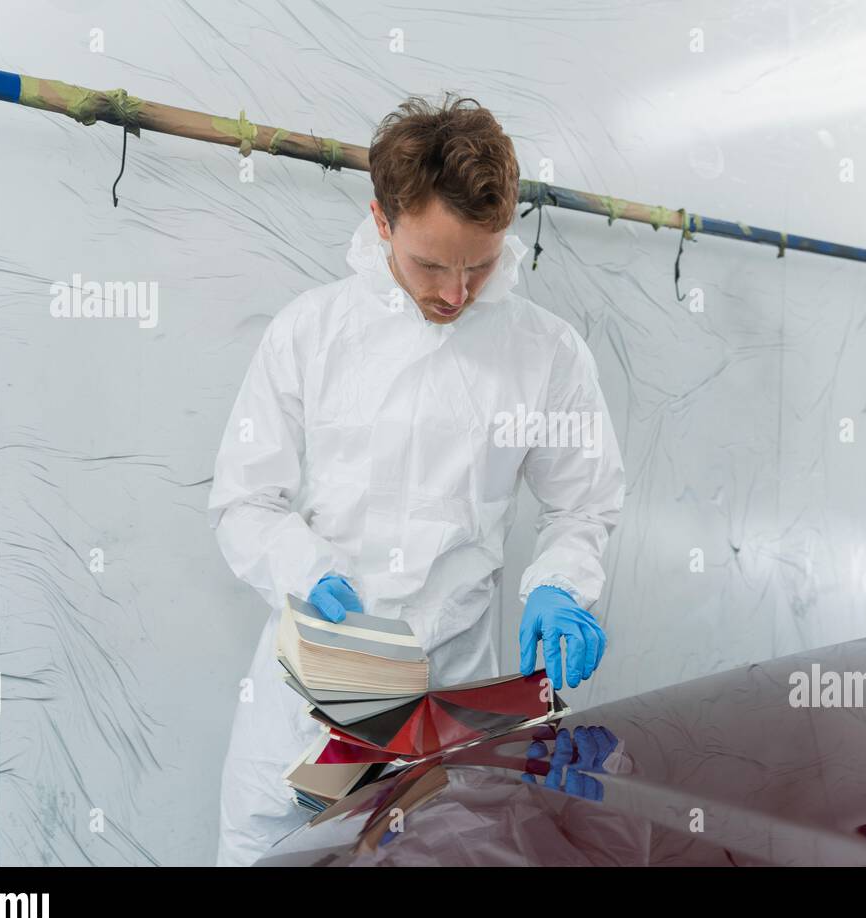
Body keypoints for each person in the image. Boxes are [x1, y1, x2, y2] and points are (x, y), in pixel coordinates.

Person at [208, 93, 626, 866]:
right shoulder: (311, 332)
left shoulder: (548, 354)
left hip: (452, 704)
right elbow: (244, 500)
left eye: (481, 265)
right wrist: (307, 570)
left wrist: (563, 583)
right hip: (310, 703)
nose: (456, 293)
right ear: (380, 220)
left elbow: (585, 503)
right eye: (431, 264)